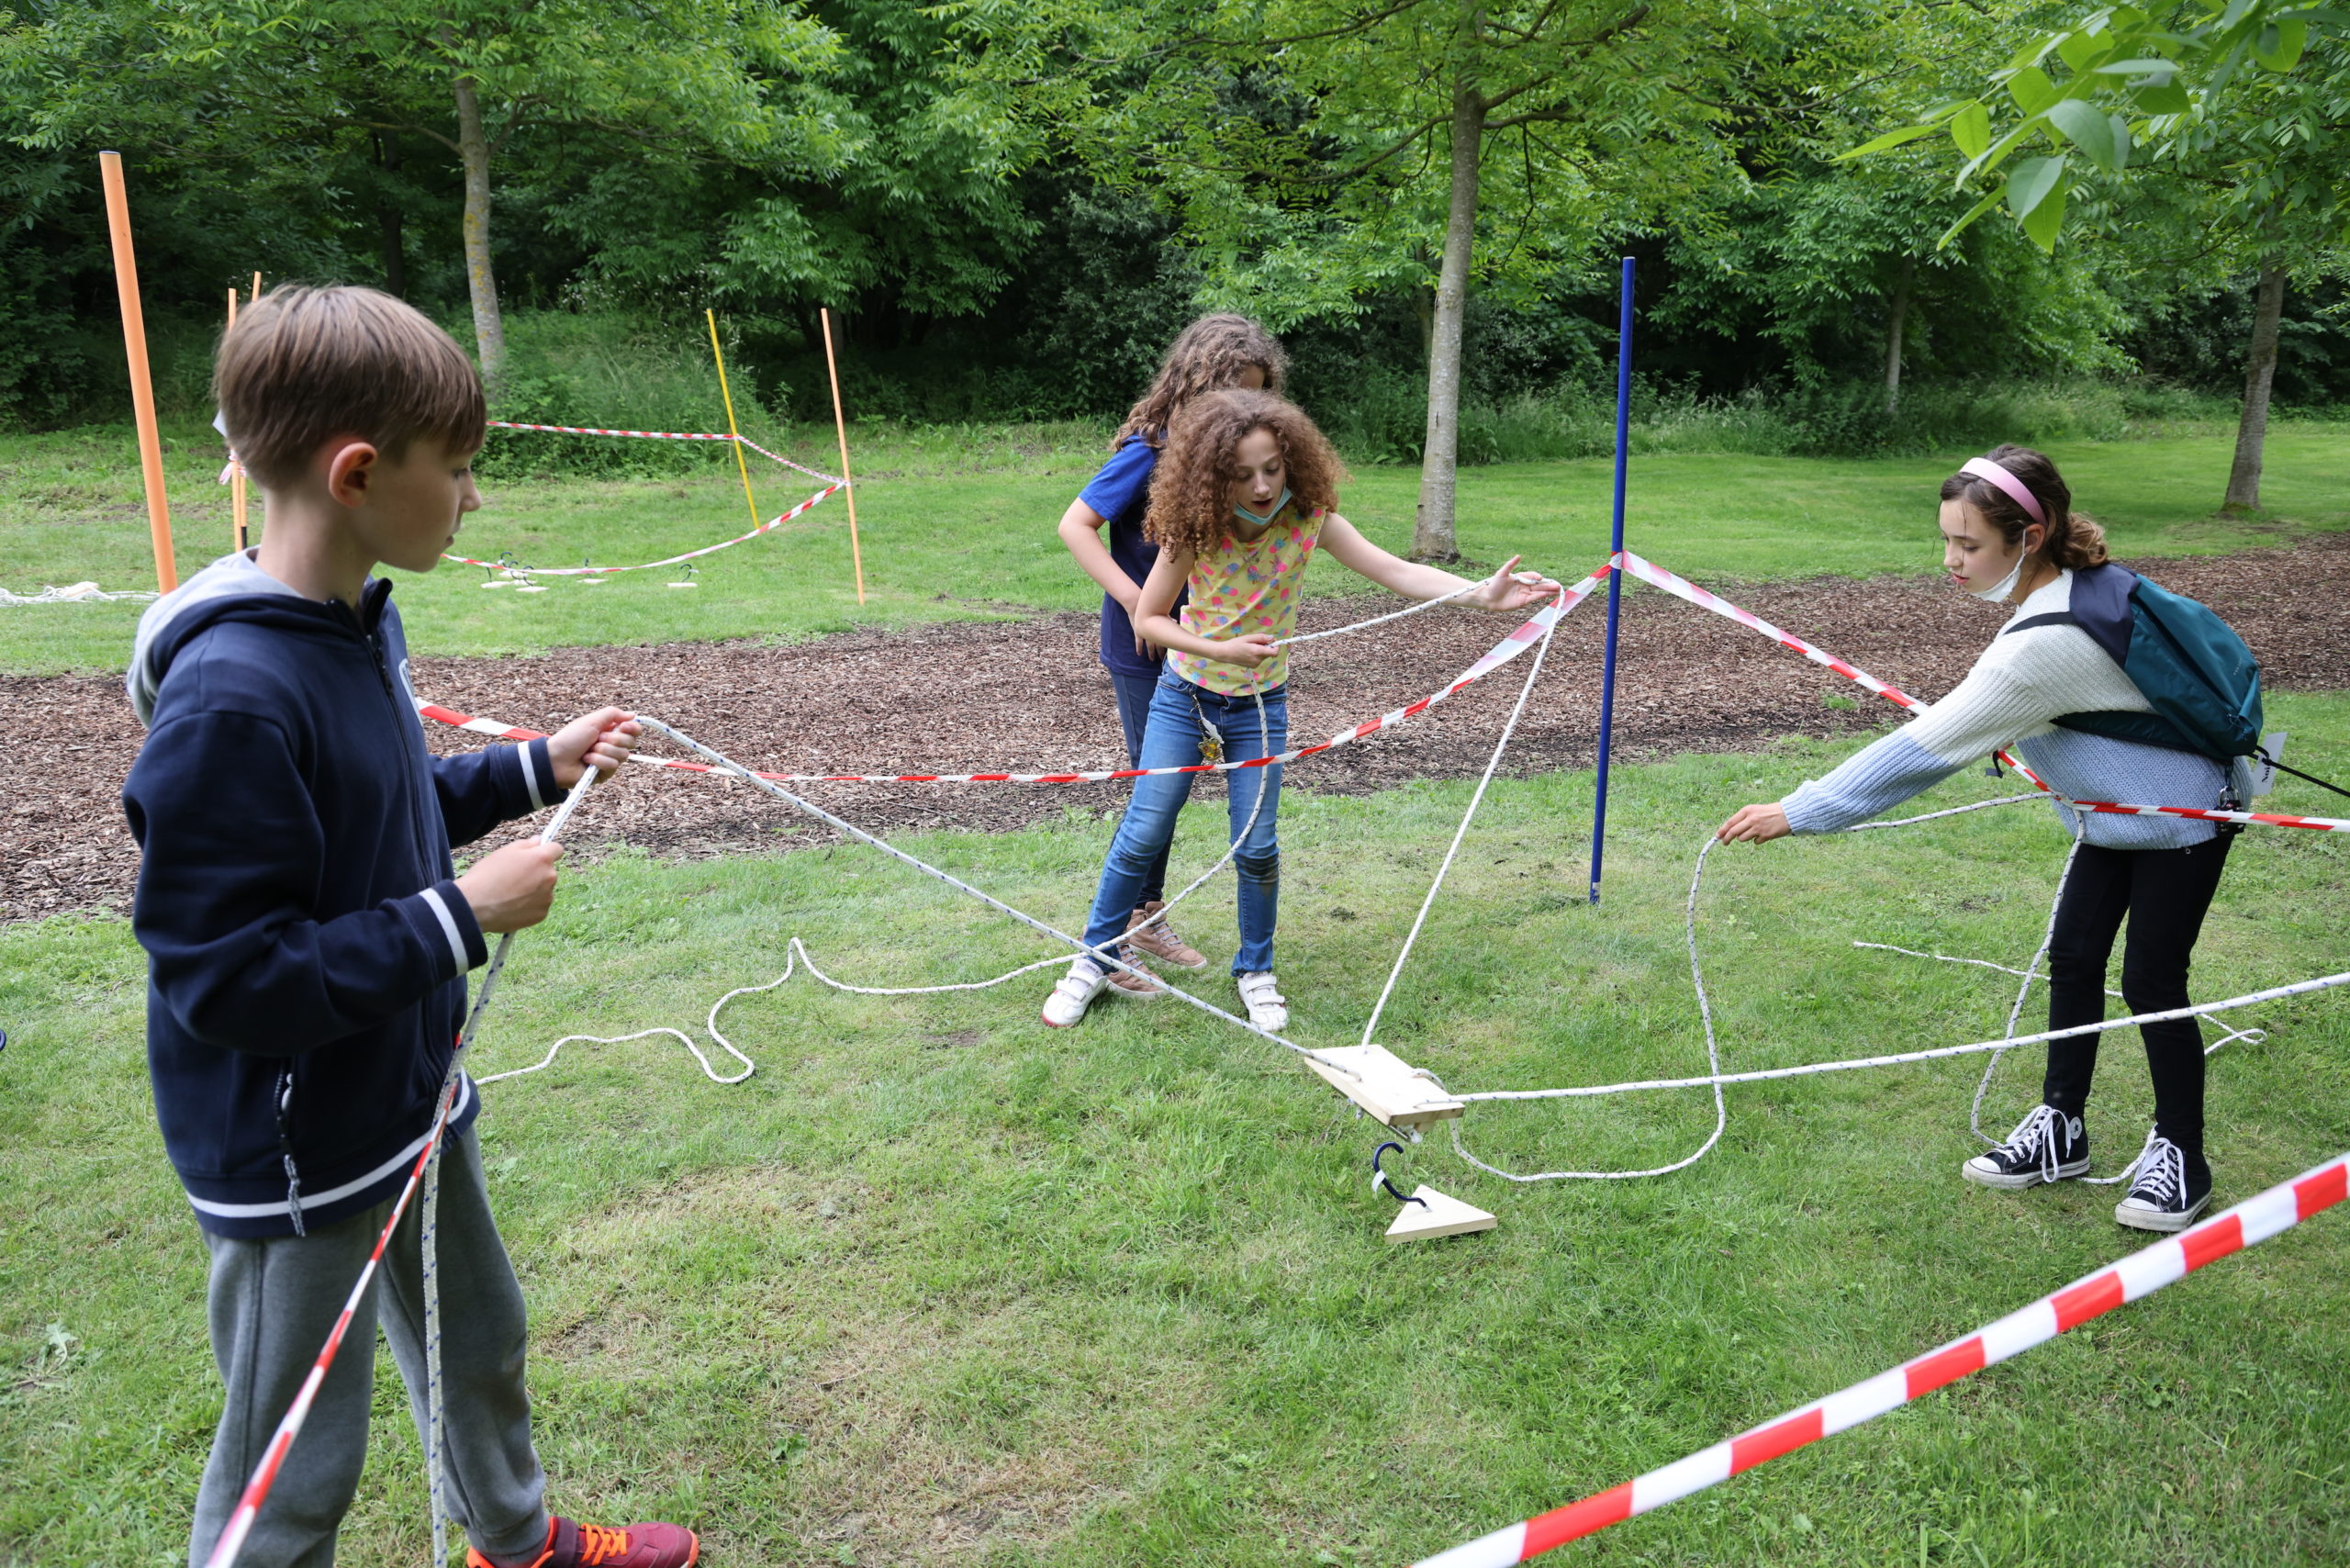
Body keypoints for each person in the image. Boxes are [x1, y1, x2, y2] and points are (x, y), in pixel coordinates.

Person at [122, 286, 698, 1568]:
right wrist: (459, 918)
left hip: (407, 1087)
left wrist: (531, 768)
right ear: (361, 472)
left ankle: (515, 1537)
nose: (476, 499)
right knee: (294, 1465)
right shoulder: (233, 694)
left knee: (477, 1338)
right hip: (297, 1155)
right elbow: (227, 979)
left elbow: (381, 808)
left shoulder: (347, 620)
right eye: (463, 469)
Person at [1716, 443, 2251, 1233]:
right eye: (1947, 540)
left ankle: (2183, 1156)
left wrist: (1804, 809)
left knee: (2151, 983)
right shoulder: (2066, 590)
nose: (1950, 560)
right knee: (2072, 960)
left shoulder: (2044, 646)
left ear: (2028, 539)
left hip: (2179, 819)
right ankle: (2061, 1130)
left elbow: (1925, 748)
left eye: (1968, 545)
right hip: (2110, 814)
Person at [1041, 388, 1560, 1032]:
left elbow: (1397, 572)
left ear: (1291, 461)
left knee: (1257, 845)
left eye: (1272, 468)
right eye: (1242, 474)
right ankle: (1094, 958)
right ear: (1211, 476)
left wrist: (1483, 595)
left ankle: (1255, 970)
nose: (1261, 486)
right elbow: (1149, 617)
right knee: (1146, 830)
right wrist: (1218, 647)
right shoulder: (1193, 530)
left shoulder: (1308, 519)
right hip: (1184, 699)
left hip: (1260, 706)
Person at [1056, 314, 1287, 992]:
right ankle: (1123, 932)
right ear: (1198, 384)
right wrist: (1134, 601)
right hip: (1146, 644)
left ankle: (1147, 915)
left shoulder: (1236, 460)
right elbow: (1075, 525)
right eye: (1235, 391)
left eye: (1260, 395)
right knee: (1155, 791)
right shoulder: (1151, 449)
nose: (1248, 408)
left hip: (1216, 649)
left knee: (1176, 792)